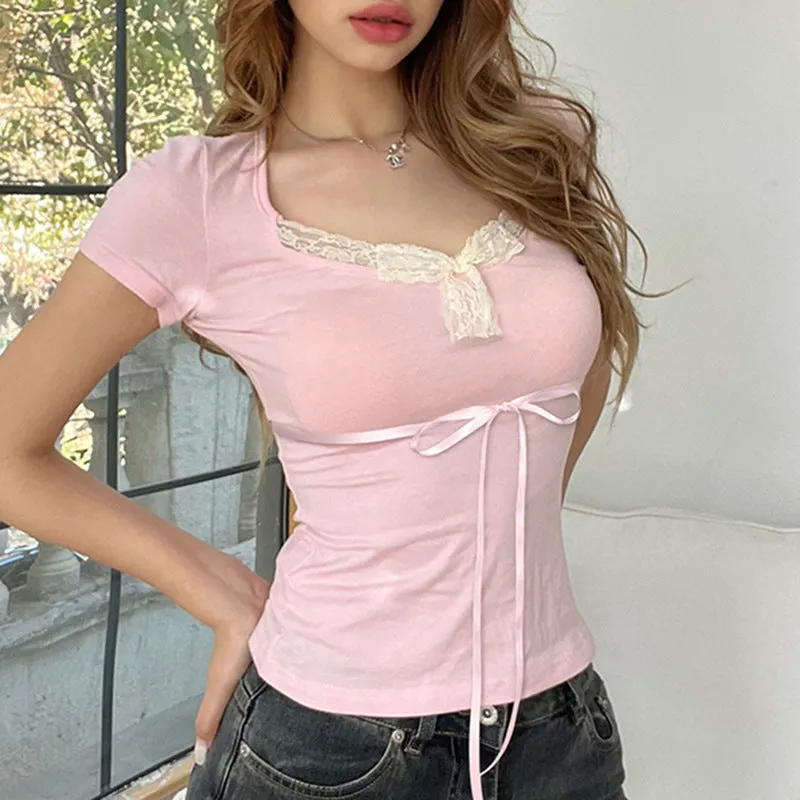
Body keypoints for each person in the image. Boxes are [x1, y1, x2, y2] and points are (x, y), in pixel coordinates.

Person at [0, 1, 671, 798]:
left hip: (561, 732)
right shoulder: (199, 197)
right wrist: (220, 593)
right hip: (327, 747)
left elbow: (576, 370)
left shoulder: (531, 146)